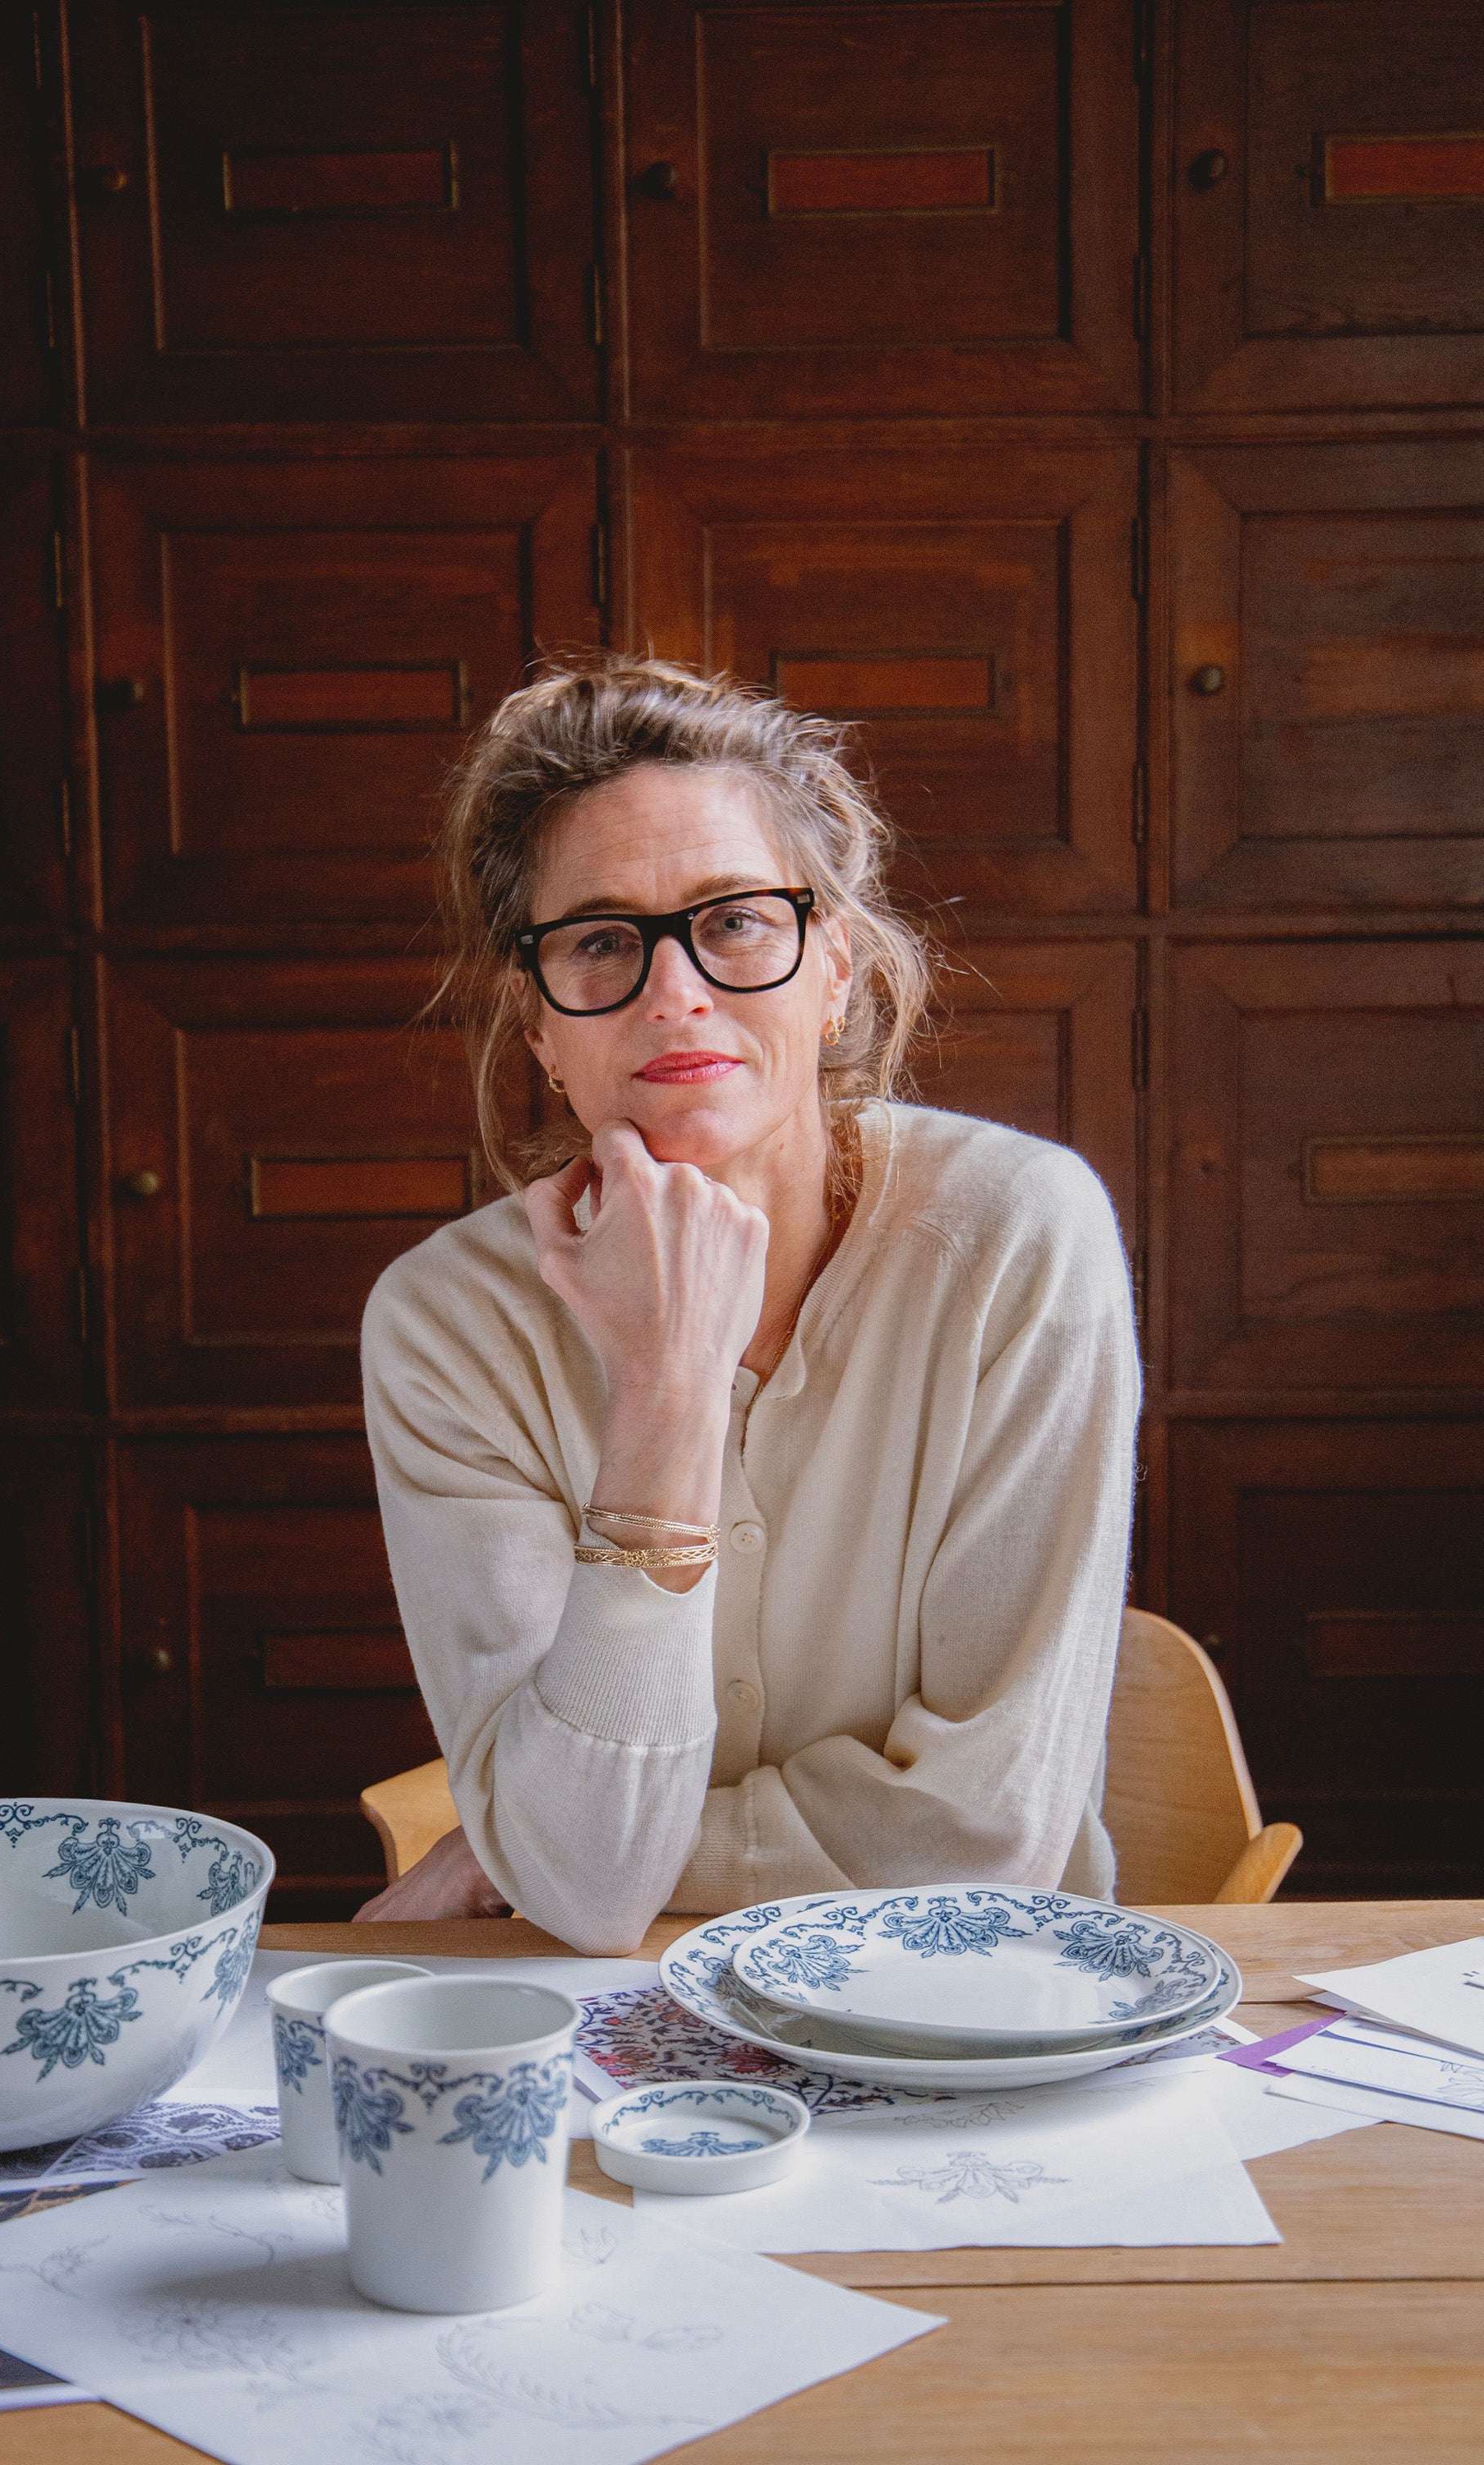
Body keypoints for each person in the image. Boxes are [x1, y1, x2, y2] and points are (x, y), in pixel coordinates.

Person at [354, 659, 1141, 1953]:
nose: (675, 992)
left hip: (975, 2002)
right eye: (600, 941)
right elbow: (588, 1891)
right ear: (540, 1024)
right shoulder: (445, 1325)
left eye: (734, 922)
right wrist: (666, 1394)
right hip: (609, 2017)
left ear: (834, 968)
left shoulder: (1017, 1234)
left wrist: (532, 1846)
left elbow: (981, 1839)